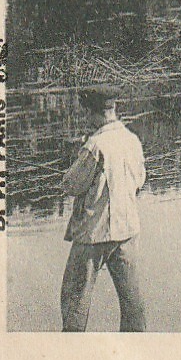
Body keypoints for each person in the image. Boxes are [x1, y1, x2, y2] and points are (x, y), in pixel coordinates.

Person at [59, 86, 147, 332]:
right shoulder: (132, 140)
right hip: (127, 232)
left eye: (87, 113)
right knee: (132, 304)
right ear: (113, 109)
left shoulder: (95, 145)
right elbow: (139, 180)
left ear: (93, 112)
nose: (86, 119)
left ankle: (70, 355)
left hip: (93, 235)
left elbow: (72, 185)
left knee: (75, 299)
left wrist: (68, 170)